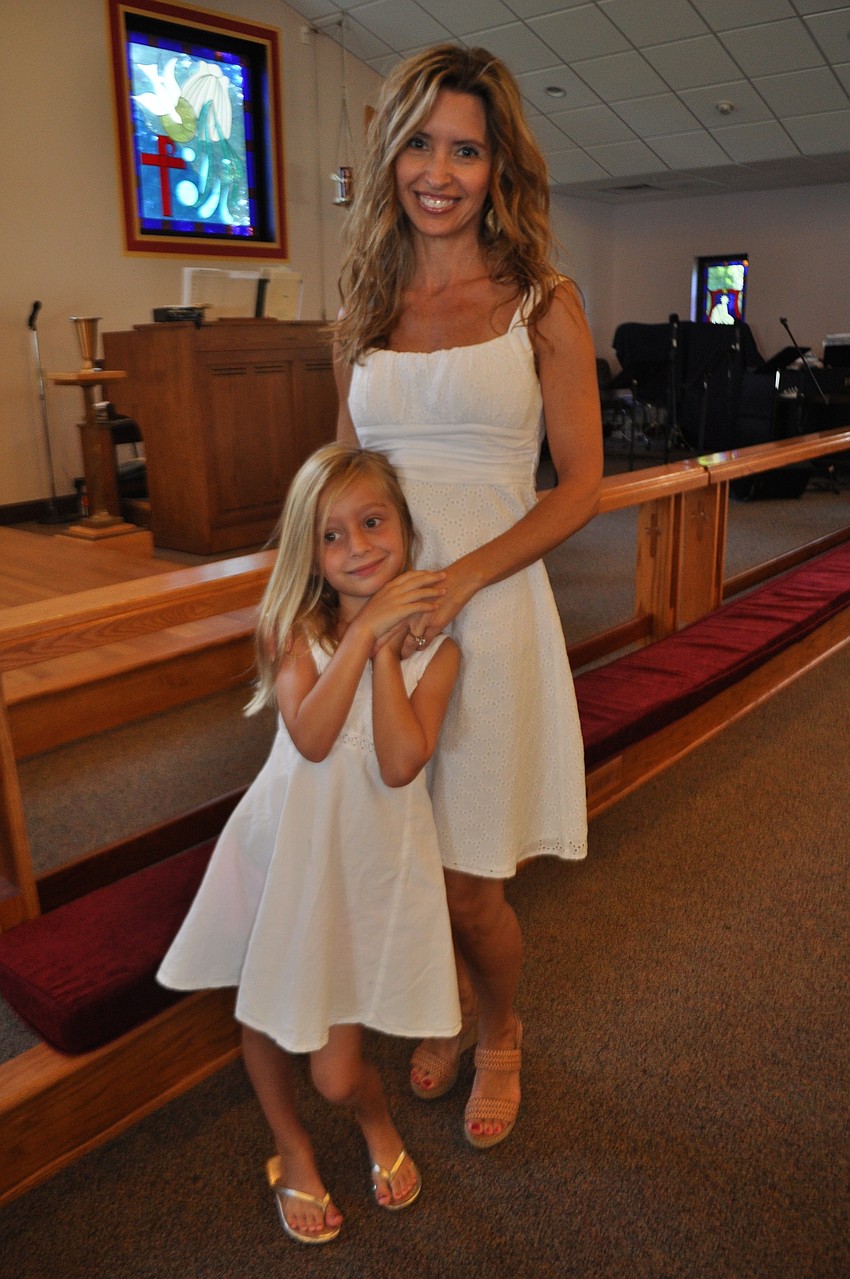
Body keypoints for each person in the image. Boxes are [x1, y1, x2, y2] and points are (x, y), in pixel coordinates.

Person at [334, 44, 603, 1150]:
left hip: (486, 612)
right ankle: (439, 999)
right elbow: (343, 478)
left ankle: (499, 1026)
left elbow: (579, 484)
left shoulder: (543, 301)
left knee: (467, 882)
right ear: (390, 155)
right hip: (383, 617)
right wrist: (330, 605)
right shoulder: (363, 303)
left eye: (466, 150)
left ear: (498, 169)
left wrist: (463, 579)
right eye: (419, 145)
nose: (438, 173)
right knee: (402, 858)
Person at [158, 444, 461, 1244]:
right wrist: (364, 636)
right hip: (283, 851)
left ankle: (371, 1112)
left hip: (359, 866)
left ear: (404, 527)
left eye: (373, 522)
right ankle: (290, 1148)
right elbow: (315, 736)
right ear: (311, 551)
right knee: (265, 1009)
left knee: (334, 1072)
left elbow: (399, 763)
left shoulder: (440, 650)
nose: (357, 546)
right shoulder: (292, 629)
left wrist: (388, 648)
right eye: (332, 535)